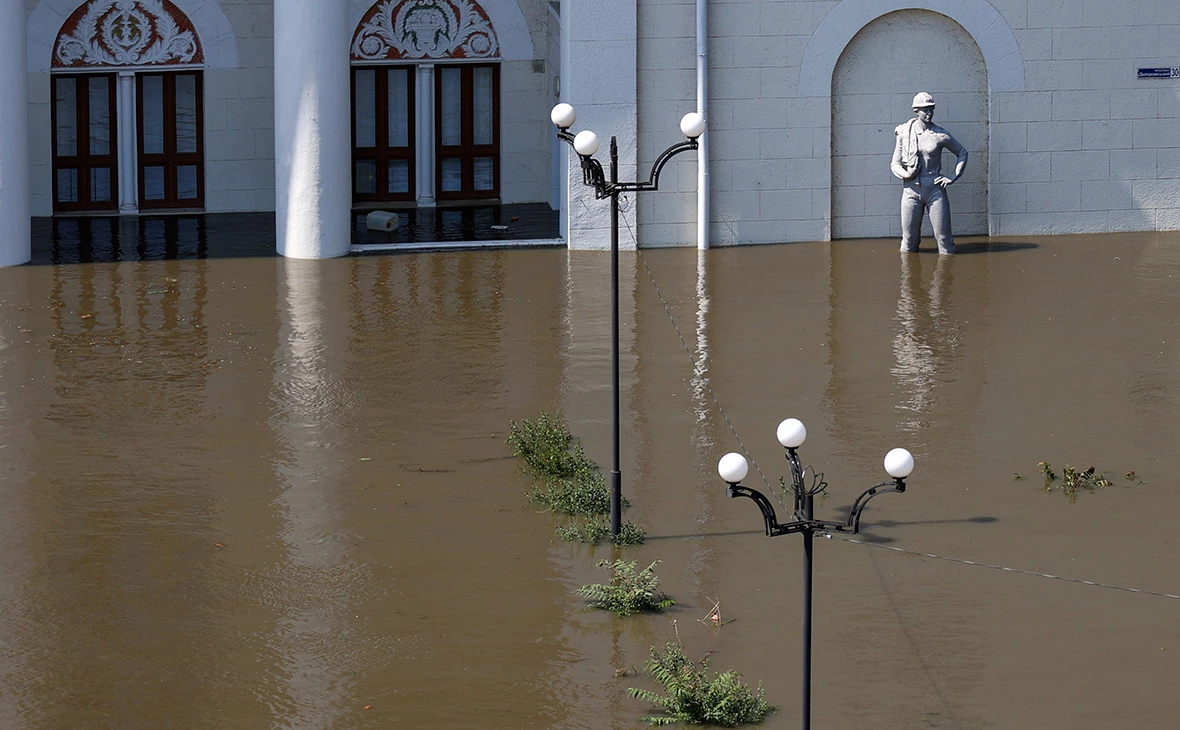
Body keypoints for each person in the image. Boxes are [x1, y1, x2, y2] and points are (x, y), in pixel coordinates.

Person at [891, 92, 968, 254]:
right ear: (916, 111)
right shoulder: (904, 132)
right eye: (925, 110)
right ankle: (908, 270)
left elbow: (962, 152)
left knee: (944, 239)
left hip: (934, 190)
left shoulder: (939, 135)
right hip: (911, 190)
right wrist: (906, 174)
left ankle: (946, 269)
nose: (929, 113)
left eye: (931, 109)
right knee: (909, 240)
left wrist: (952, 177)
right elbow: (895, 164)